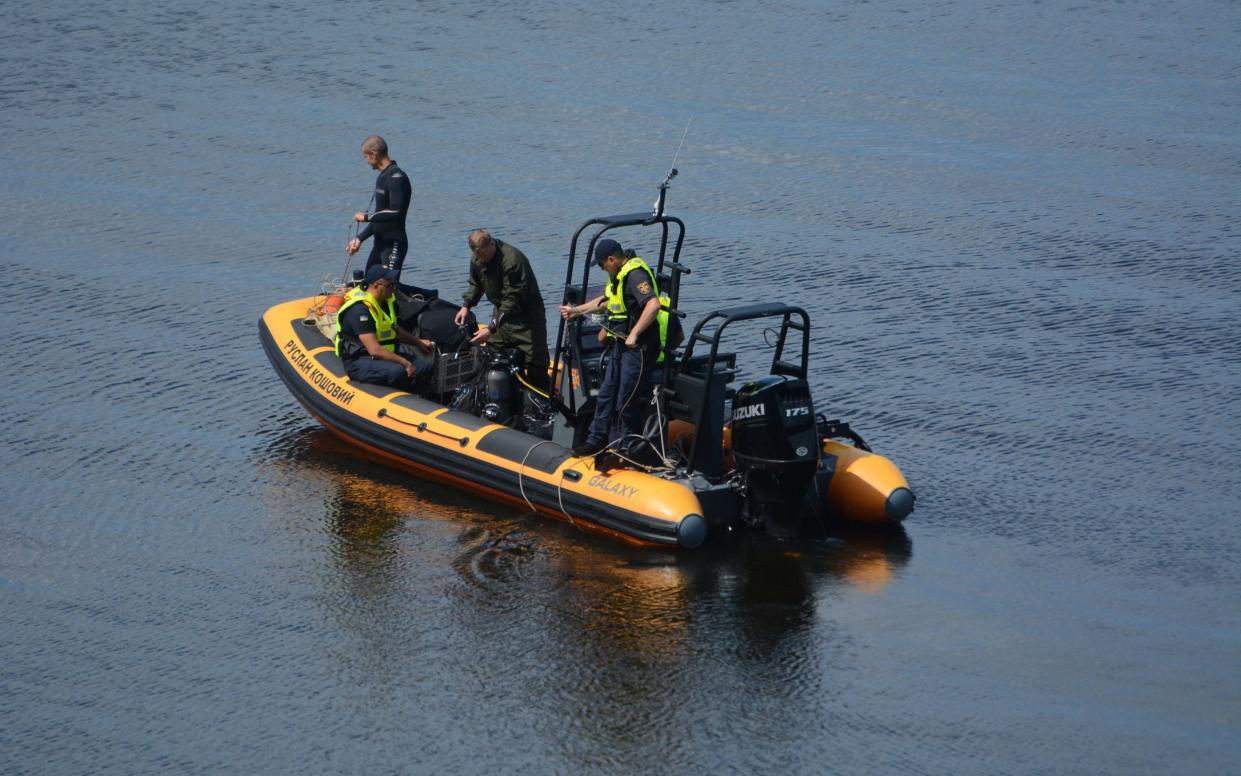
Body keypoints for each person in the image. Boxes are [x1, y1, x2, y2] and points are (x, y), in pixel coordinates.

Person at [559, 238, 664, 457]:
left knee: (625, 398)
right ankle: (596, 441)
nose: (601, 269)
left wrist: (634, 334)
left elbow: (653, 305)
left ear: (612, 259)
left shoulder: (635, 275)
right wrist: (577, 310)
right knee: (606, 394)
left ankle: (624, 447)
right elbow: (607, 300)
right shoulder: (617, 275)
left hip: (638, 348)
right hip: (619, 345)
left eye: (601, 264)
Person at [453, 229, 551, 393]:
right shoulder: (478, 259)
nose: (482, 260)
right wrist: (466, 305)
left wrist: (491, 329)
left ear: (492, 244)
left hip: (526, 319)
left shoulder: (512, 260)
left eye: (485, 256)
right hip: (501, 317)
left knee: (536, 365)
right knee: (493, 356)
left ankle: (545, 403)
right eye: (479, 257)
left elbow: (512, 300)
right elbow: (476, 283)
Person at [335, 264, 435, 391]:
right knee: (398, 371)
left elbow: (393, 329)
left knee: (424, 367)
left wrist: (418, 342)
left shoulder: (385, 302)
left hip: (386, 356)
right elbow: (374, 350)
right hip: (361, 361)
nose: (394, 289)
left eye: (394, 285)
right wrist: (404, 362)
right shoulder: (360, 310)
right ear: (376, 286)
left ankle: (419, 400)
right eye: (390, 286)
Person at [346, 135, 412, 278]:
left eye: (366, 157)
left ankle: (428, 297)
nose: (367, 162)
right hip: (379, 244)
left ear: (374, 153)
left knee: (388, 288)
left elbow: (396, 212)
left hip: (394, 244)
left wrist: (365, 217)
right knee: (369, 284)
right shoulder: (382, 177)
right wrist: (359, 239)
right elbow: (380, 217)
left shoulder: (396, 177)